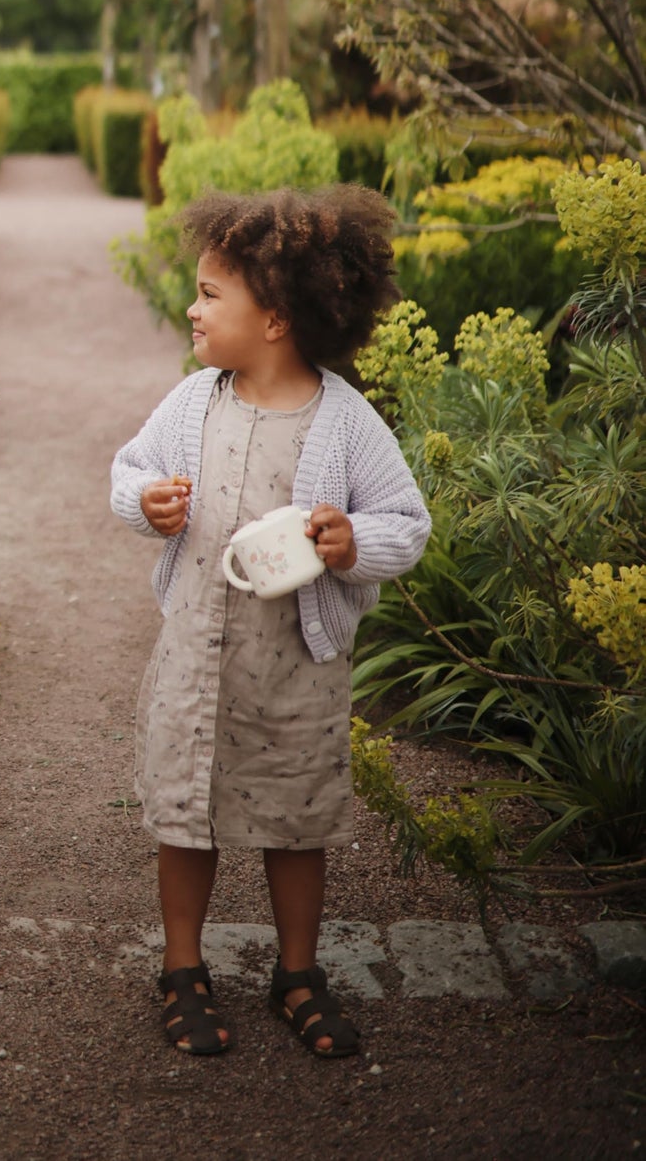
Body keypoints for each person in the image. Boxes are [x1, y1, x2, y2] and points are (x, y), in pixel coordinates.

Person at [110, 186, 430, 1058]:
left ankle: (298, 972)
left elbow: (406, 523)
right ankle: (183, 967)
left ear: (277, 319)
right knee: (188, 813)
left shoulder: (346, 422)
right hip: (195, 656)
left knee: (296, 818)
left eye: (212, 292)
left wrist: (349, 539)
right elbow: (127, 471)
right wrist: (149, 499)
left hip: (295, 664)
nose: (192, 305)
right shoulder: (192, 402)